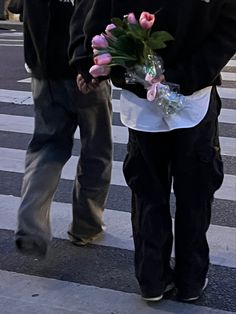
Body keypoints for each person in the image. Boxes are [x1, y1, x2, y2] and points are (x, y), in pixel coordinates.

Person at [70, 0, 236, 303]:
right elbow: (227, 28)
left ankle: (154, 279)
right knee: (193, 193)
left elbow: (92, 17)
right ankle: (188, 279)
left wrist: (89, 66)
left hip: (152, 96)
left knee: (150, 193)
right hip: (189, 94)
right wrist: (183, 75)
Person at [15, 0, 113, 257]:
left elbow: (18, 6)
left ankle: (31, 223)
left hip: (44, 71)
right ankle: (86, 226)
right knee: (96, 149)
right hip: (87, 71)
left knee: (47, 146)